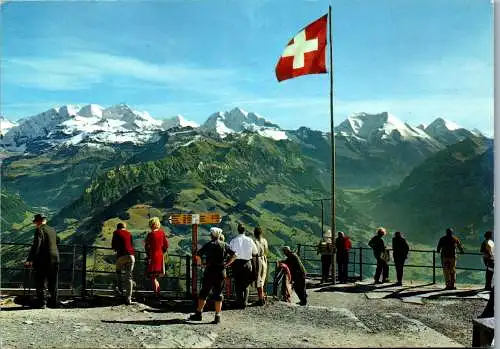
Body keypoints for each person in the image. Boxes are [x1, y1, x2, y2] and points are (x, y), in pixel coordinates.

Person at [189, 227, 237, 324]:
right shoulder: (224, 245)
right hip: (221, 272)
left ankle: (199, 313)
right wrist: (227, 264)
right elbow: (235, 255)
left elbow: (197, 255)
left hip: (210, 271)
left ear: (211, 235)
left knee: (204, 292)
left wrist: (201, 264)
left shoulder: (208, 245)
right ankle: (217, 316)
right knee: (218, 294)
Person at [24, 214, 60, 308]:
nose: (35, 224)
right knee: (53, 280)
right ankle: (53, 302)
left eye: (35, 222)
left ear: (38, 221)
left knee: (40, 279)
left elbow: (36, 246)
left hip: (43, 259)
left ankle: (42, 302)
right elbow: (58, 241)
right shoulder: (52, 229)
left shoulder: (39, 230)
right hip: (55, 258)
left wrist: (30, 260)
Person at [229, 223, 258, 309]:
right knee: (246, 284)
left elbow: (230, 252)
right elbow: (255, 252)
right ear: (245, 230)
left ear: (238, 230)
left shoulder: (233, 240)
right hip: (247, 263)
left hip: (237, 263)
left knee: (237, 284)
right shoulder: (250, 240)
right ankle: (245, 302)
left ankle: (239, 301)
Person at [111, 222, 135, 305]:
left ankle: (120, 293)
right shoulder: (129, 233)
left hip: (121, 256)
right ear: (125, 227)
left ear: (118, 228)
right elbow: (131, 245)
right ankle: (129, 299)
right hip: (131, 256)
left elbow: (113, 246)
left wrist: (116, 249)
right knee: (129, 277)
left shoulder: (116, 232)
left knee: (118, 272)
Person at [145, 217, 169, 297]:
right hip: (160, 255)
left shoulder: (150, 234)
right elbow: (166, 245)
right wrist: (162, 251)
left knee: (152, 276)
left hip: (153, 256)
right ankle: (158, 292)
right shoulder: (162, 233)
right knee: (155, 276)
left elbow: (146, 247)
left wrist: (148, 255)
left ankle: (157, 294)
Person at [253, 227, 269, 306]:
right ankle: (262, 297)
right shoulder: (265, 241)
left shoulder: (255, 241)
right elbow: (266, 251)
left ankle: (261, 299)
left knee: (258, 281)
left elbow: (253, 252)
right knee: (262, 279)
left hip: (257, 260)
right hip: (264, 259)